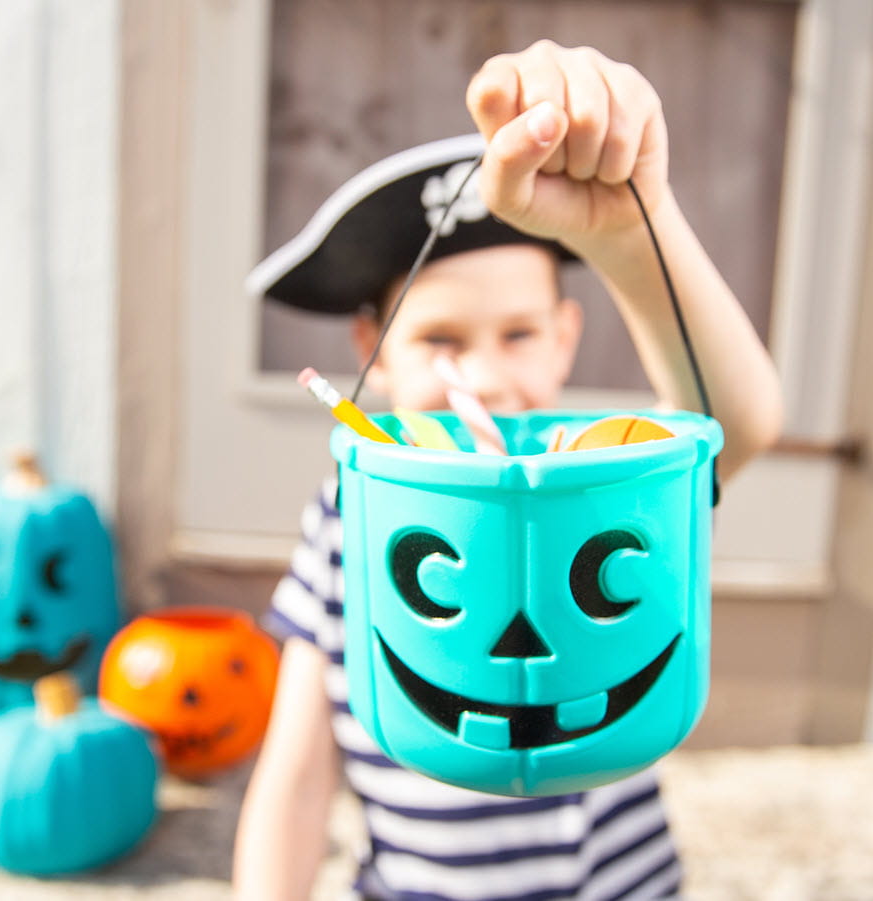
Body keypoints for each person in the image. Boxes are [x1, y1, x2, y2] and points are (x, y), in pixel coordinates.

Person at [233, 40, 783, 900]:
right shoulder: (346, 515)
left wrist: (637, 233)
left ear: (565, 335)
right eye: (439, 340)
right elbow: (298, 778)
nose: (483, 375)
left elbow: (738, 423)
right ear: (372, 355)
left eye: (518, 334)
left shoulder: (615, 482)